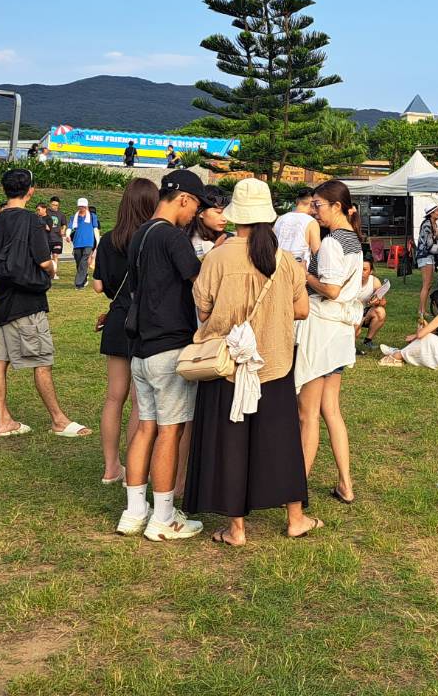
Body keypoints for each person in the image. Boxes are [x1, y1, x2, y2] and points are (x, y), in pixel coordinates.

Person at [186, 178, 323, 545]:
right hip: (275, 362)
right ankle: (295, 517)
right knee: (282, 442)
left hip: (227, 364)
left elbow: (202, 308)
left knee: (230, 443)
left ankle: (236, 529)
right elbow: (302, 309)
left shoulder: (217, 257)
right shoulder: (284, 260)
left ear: (236, 216)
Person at [115, 170, 206, 541]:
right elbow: (198, 283)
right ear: (183, 198)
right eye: (195, 206)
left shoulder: (140, 234)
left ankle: (135, 511)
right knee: (171, 430)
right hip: (170, 346)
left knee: (145, 427)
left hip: (140, 349)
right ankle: (165, 516)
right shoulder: (173, 237)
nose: (194, 215)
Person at [0, 168, 88, 439]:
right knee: (42, 360)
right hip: (27, 303)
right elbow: (42, 260)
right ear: (30, 191)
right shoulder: (31, 221)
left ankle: (4, 420)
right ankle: (59, 420)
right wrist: (51, 270)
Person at [294, 180, 365, 505]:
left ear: (336, 207)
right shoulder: (353, 240)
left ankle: (296, 486)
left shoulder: (333, 243)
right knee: (330, 411)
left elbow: (332, 289)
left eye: (318, 205)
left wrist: (301, 274)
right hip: (338, 333)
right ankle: (345, 484)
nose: (313, 210)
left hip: (322, 328)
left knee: (307, 414)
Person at [93, 178, 157, 484]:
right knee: (139, 400)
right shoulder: (153, 238)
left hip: (118, 319)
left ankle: (110, 467)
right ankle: (135, 464)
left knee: (113, 397)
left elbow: (99, 286)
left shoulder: (108, 239)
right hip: (145, 322)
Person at [273, 188, 320, 268]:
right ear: (312, 203)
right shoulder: (311, 222)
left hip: (277, 267)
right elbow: (317, 253)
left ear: (297, 201)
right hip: (298, 269)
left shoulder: (280, 218)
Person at [414, 204, 438, 319]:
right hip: (425, 256)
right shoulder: (427, 225)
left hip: (430, 256)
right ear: (431, 213)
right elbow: (428, 243)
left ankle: (421, 310)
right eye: (437, 211)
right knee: (426, 284)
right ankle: (422, 312)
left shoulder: (433, 224)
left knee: (428, 284)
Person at [357, 256, 391, 347]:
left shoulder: (374, 281)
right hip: (351, 312)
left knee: (380, 311)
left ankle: (368, 340)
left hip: (365, 313)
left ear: (371, 271)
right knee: (355, 332)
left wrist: (377, 302)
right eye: (359, 268)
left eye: (364, 269)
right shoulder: (350, 280)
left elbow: (383, 302)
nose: (361, 272)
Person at [68, 197, 101, 288]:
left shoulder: (92, 216)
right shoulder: (74, 217)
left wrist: (98, 241)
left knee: (84, 261)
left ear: (86, 206)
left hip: (88, 242)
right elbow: (70, 228)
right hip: (77, 242)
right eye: (80, 206)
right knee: (79, 262)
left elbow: (95, 229)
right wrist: (67, 235)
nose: (82, 208)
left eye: (83, 206)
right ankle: (84, 277)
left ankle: (79, 283)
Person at [191, 188, 231, 259]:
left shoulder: (229, 237)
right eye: (218, 212)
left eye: (226, 213)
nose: (224, 219)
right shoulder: (191, 243)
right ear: (201, 213)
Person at [43, 196, 65, 282]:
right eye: (53, 205)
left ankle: (54, 273)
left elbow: (64, 224)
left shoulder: (61, 214)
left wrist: (63, 229)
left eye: (56, 205)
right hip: (46, 238)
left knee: (55, 255)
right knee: (46, 256)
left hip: (57, 239)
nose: (54, 206)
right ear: (50, 204)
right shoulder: (46, 212)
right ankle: (47, 272)